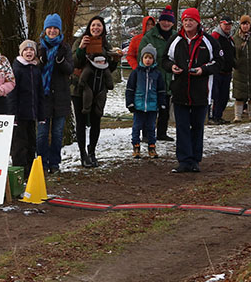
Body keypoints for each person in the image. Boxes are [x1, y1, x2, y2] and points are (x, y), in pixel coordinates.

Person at [164, 7, 220, 173]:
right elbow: (165, 59)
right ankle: (184, 160)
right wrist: (171, 67)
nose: (188, 23)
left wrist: (203, 69)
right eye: (185, 20)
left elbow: (218, 62)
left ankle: (195, 160)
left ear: (198, 22)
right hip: (180, 90)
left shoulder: (208, 41)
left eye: (191, 20)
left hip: (201, 92)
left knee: (197, 126)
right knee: (181, 126)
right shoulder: (175, 40)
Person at [73, 16, 119, 167]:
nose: (95, 28)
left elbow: (109, 68)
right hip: (80, 89)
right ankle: (83, 154)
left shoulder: (106, 44)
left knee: (96, 121)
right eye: (93, 25)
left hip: (98, 89)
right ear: (89, 27)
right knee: (80, 122)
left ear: (103, 28)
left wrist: (115, 59)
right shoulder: (80, 41)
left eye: (99, 25)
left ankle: (92, 151)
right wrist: (81, 48)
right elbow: (73, 63)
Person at [36, 13, 75, 173]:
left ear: (59, 30)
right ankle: (41, 163)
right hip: (43, 98)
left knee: (58, 134)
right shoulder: (39, 47)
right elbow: (34, 71)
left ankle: (54, 163)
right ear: (45, 30)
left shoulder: (65, 48)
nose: (52, 31)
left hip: (61, 97)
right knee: (42, 135)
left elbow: (69, 69)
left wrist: (60, 62)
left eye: (55, 28)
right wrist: (41, 62)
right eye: (49, 28)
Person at [126, 44, 167, 159]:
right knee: (136, 127)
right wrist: (130, 103)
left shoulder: (157, 74)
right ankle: (136, 146)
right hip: (138, 105)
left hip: (152, 106)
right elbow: (130, 89)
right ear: (142, 58)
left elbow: (161, 90)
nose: (148, 60)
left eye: (150, 58)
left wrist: (162, 103)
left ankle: (152, 147)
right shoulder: (136, 73)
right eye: (146, 57)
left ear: (153, 59)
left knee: (151, 127)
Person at [141, 6, 176, 141]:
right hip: (153, 77)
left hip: (169, 78)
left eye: (169, 21)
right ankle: (146, 134)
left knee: (164, 108)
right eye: (164, 21)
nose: (166, 23)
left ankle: (162, 132)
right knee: (150, 108)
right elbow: (142, 57)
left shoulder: (175, 36)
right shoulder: (150, 36)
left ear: (172, 23)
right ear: (159, 21)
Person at [10, 39, 43, 171]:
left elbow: (40, 93)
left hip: (32, 114)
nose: (29, 52)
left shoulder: (36, 69)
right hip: (20, 114)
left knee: (31, 143)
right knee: (19, 144)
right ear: (21, 52)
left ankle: (30, 170)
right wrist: (14, 115)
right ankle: (19, 170)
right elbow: (12, 94)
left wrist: (40, 115)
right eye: (26, 50)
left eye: (31, 50)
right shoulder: (16, 69)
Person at [209, 15, 236, 124]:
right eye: (225, 24)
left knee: (224, 96)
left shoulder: (230, 38)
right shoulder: (215, 36)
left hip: (227, 71)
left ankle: (219, 115)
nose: (227, 27)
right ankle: (212, 116)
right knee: (215, 95)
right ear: (220, 24)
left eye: (229, 25)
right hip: (217, 71)